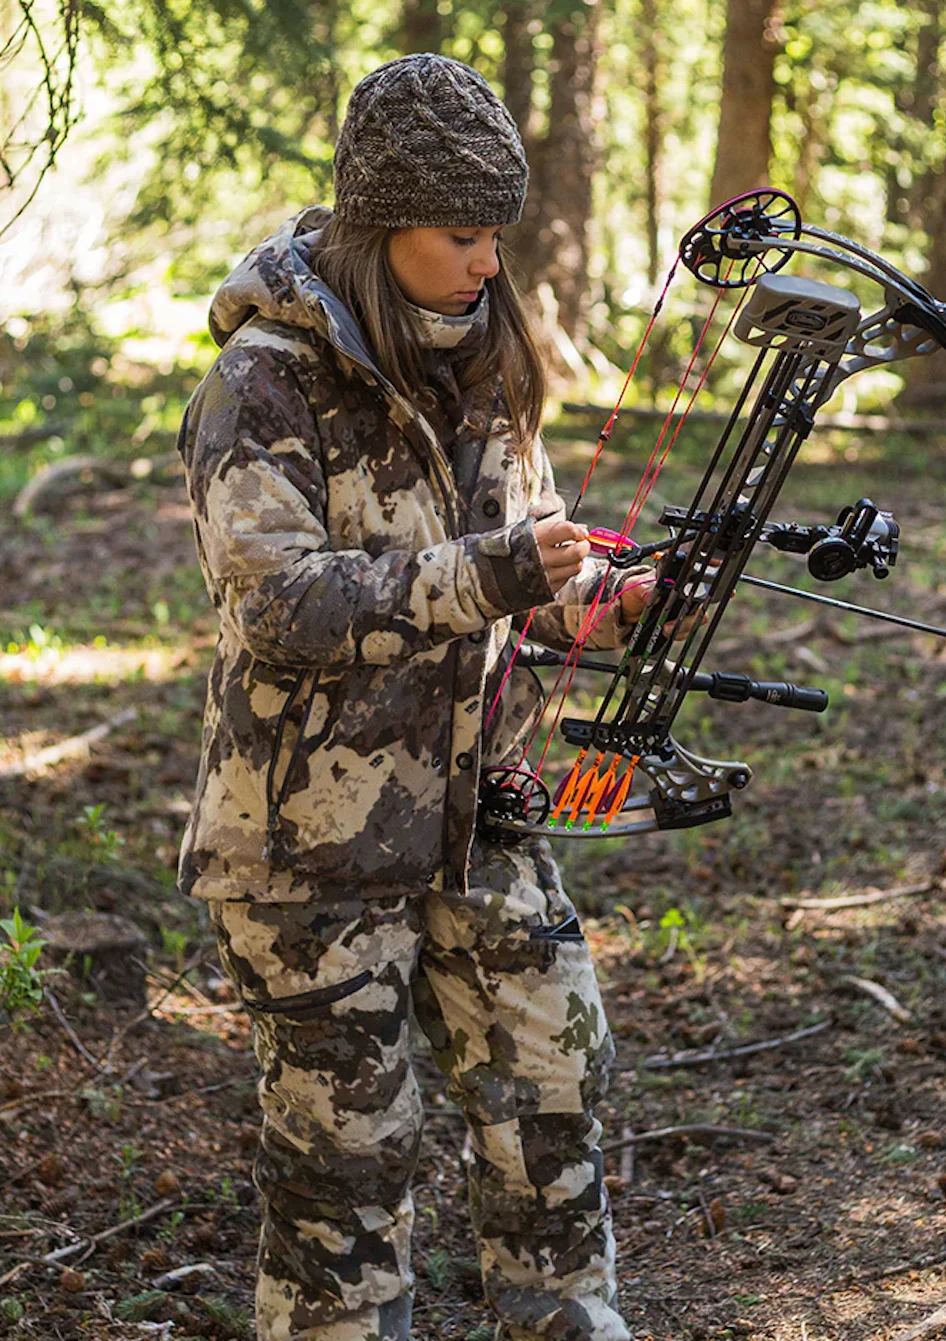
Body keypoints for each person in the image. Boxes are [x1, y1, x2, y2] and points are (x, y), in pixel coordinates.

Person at [176, 54, 650, 1341]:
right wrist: (500, 572)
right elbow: (280, 606)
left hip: (476, 813)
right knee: (350, 1153)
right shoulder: (260, 383)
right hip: (306, 846)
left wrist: (588, 594)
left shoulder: (481, 359)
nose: (487, 261)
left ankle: (562, 1313)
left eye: (497, 231)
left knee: (556, 1071)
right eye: (461, 234)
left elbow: (528, 540)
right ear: (384, 227)